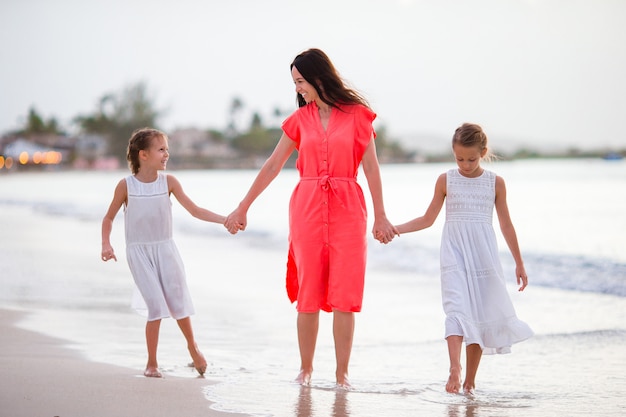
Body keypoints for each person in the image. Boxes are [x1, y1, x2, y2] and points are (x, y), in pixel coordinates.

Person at [224, 48, 398, 388]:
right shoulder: (299, 121)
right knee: (309, 291)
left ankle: (341, 374)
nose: (298, 89)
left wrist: (381, 216)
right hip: (307, 208)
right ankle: (305, 370)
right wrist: (243, 206)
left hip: (349, 207)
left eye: (301, 81)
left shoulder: (359, 116)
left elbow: (372, 168)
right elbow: (273, 165)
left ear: (319, 78)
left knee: (345, 293)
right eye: (295, 83)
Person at [393, 123, 533, 395]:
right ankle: (454, 367)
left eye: (471, 159)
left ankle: (470, 382)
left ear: (483, 152)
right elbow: (427, 218)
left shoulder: (496, 183)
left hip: (484, 258)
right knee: (456, 310)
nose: (465, 165)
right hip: (454, 254)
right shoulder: (446, 180)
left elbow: (506, 225)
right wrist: (395, 228)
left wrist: (519, 262)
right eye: (459, 159)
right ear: (453, 153)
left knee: (477, 317)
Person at [101, 127, 226, 378]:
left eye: (167, 149)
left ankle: (193, 347)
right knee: (156, 306)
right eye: (161, 149)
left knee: (177, 300)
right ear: (143, 155)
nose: (166, 154)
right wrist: (106, 244)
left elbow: (195, 210)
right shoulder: (126, 186)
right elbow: (108, 218)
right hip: (139, 253)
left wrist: (225, 220)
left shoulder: (169, 182)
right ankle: (151, 363)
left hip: (166, 250)